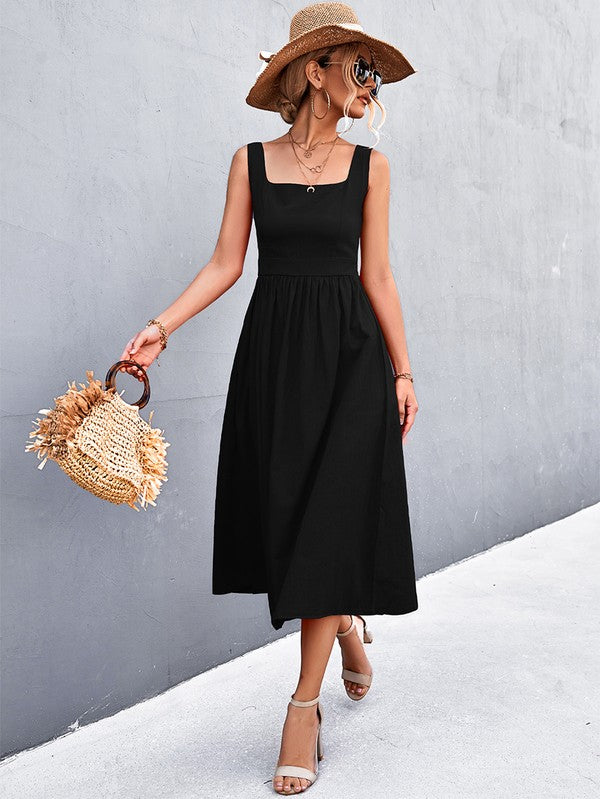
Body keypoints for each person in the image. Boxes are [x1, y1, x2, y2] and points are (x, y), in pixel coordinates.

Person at [119, 3, 420, 793]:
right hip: (277, 361)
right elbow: (225, 263)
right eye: (358, 66)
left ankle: (302, 706)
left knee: (326, 522)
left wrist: (403, 368)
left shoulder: (371, 168)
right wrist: (162, 325)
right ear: (314, 71)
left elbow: (377, 276)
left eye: (373, 70)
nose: (370, 82)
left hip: (352, 357)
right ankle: (346, 624)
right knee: (291, 518)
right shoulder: (249, 160)